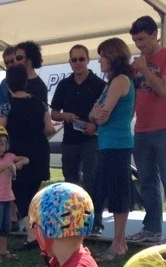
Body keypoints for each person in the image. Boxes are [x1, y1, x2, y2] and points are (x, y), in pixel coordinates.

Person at [127, 15, 166, 245]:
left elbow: (162, 89)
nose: (140, 45)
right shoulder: (136, 64)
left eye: (142, 39)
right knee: (147, 180)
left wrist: (145, 70)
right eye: (136, 41)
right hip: (142, 129)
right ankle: (152, 228)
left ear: (154, 34)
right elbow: (132, 98)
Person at [0, 64, 54, 251]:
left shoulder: (6, 106)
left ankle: (32, 237)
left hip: (17, 154)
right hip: (39, 151)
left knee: (20, 195)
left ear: (8, 84)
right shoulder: (39, 103)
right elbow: (49, 129)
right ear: (25, 82)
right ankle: (38, 233)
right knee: (32, 194)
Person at [49, 44, 106, 225]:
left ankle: (95, 222)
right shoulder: (64, 85)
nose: (78, 63)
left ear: (88, 60)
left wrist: (94, 126)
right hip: (70, 141)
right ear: (70, 62)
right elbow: (53, 113)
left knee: (92, 180)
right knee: (70, 181)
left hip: (92, 140)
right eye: (74, 59)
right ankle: (74, 221)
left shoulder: (100, 84)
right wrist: (64, 115)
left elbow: (107, 113)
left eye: (82, 59)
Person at [90, 38, 135, 262]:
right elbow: (93, 114)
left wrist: (97, 113)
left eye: (102, 56)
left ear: (113, 56)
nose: (99, 61)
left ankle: (118, 244)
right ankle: (120, 242)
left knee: (118, 193)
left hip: (117, 144)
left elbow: (102, 114)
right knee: (111, 191)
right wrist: (96, 113)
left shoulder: (119, 81)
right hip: (108, 144)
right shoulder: (111, 82)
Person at [0, 124, 27, 263]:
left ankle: (2, 250)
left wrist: (19, 164)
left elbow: (26, 158)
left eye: (2, 144)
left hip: (7, 198)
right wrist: (9, 165)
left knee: (5, 227)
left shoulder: (10, 156)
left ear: (7, 144)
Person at [0, 46, 18, 119]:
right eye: (7, 62)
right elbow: (1, 107)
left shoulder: (29, 78)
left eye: (12, 61)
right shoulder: (4, 83)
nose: (9, 65)